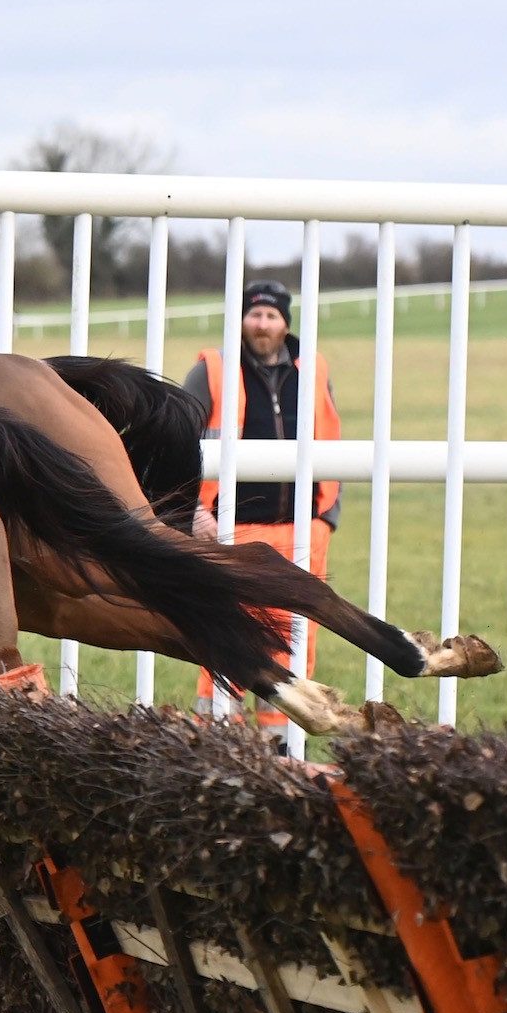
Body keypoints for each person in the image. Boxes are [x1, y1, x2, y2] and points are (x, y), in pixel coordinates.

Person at [181, 281, 341, 731]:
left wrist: (327, 515)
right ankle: (219, 737)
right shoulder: (212, 370)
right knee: (229, 631)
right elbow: (177, 444)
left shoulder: (314, 368)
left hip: (303, 528)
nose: (263, 323)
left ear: (285, 321)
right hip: (231, 526)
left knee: (295, 635)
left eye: (271, 315)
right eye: (255, 314)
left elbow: (332, 436)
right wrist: (193, 512)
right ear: (242, 320)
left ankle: (281, 743)